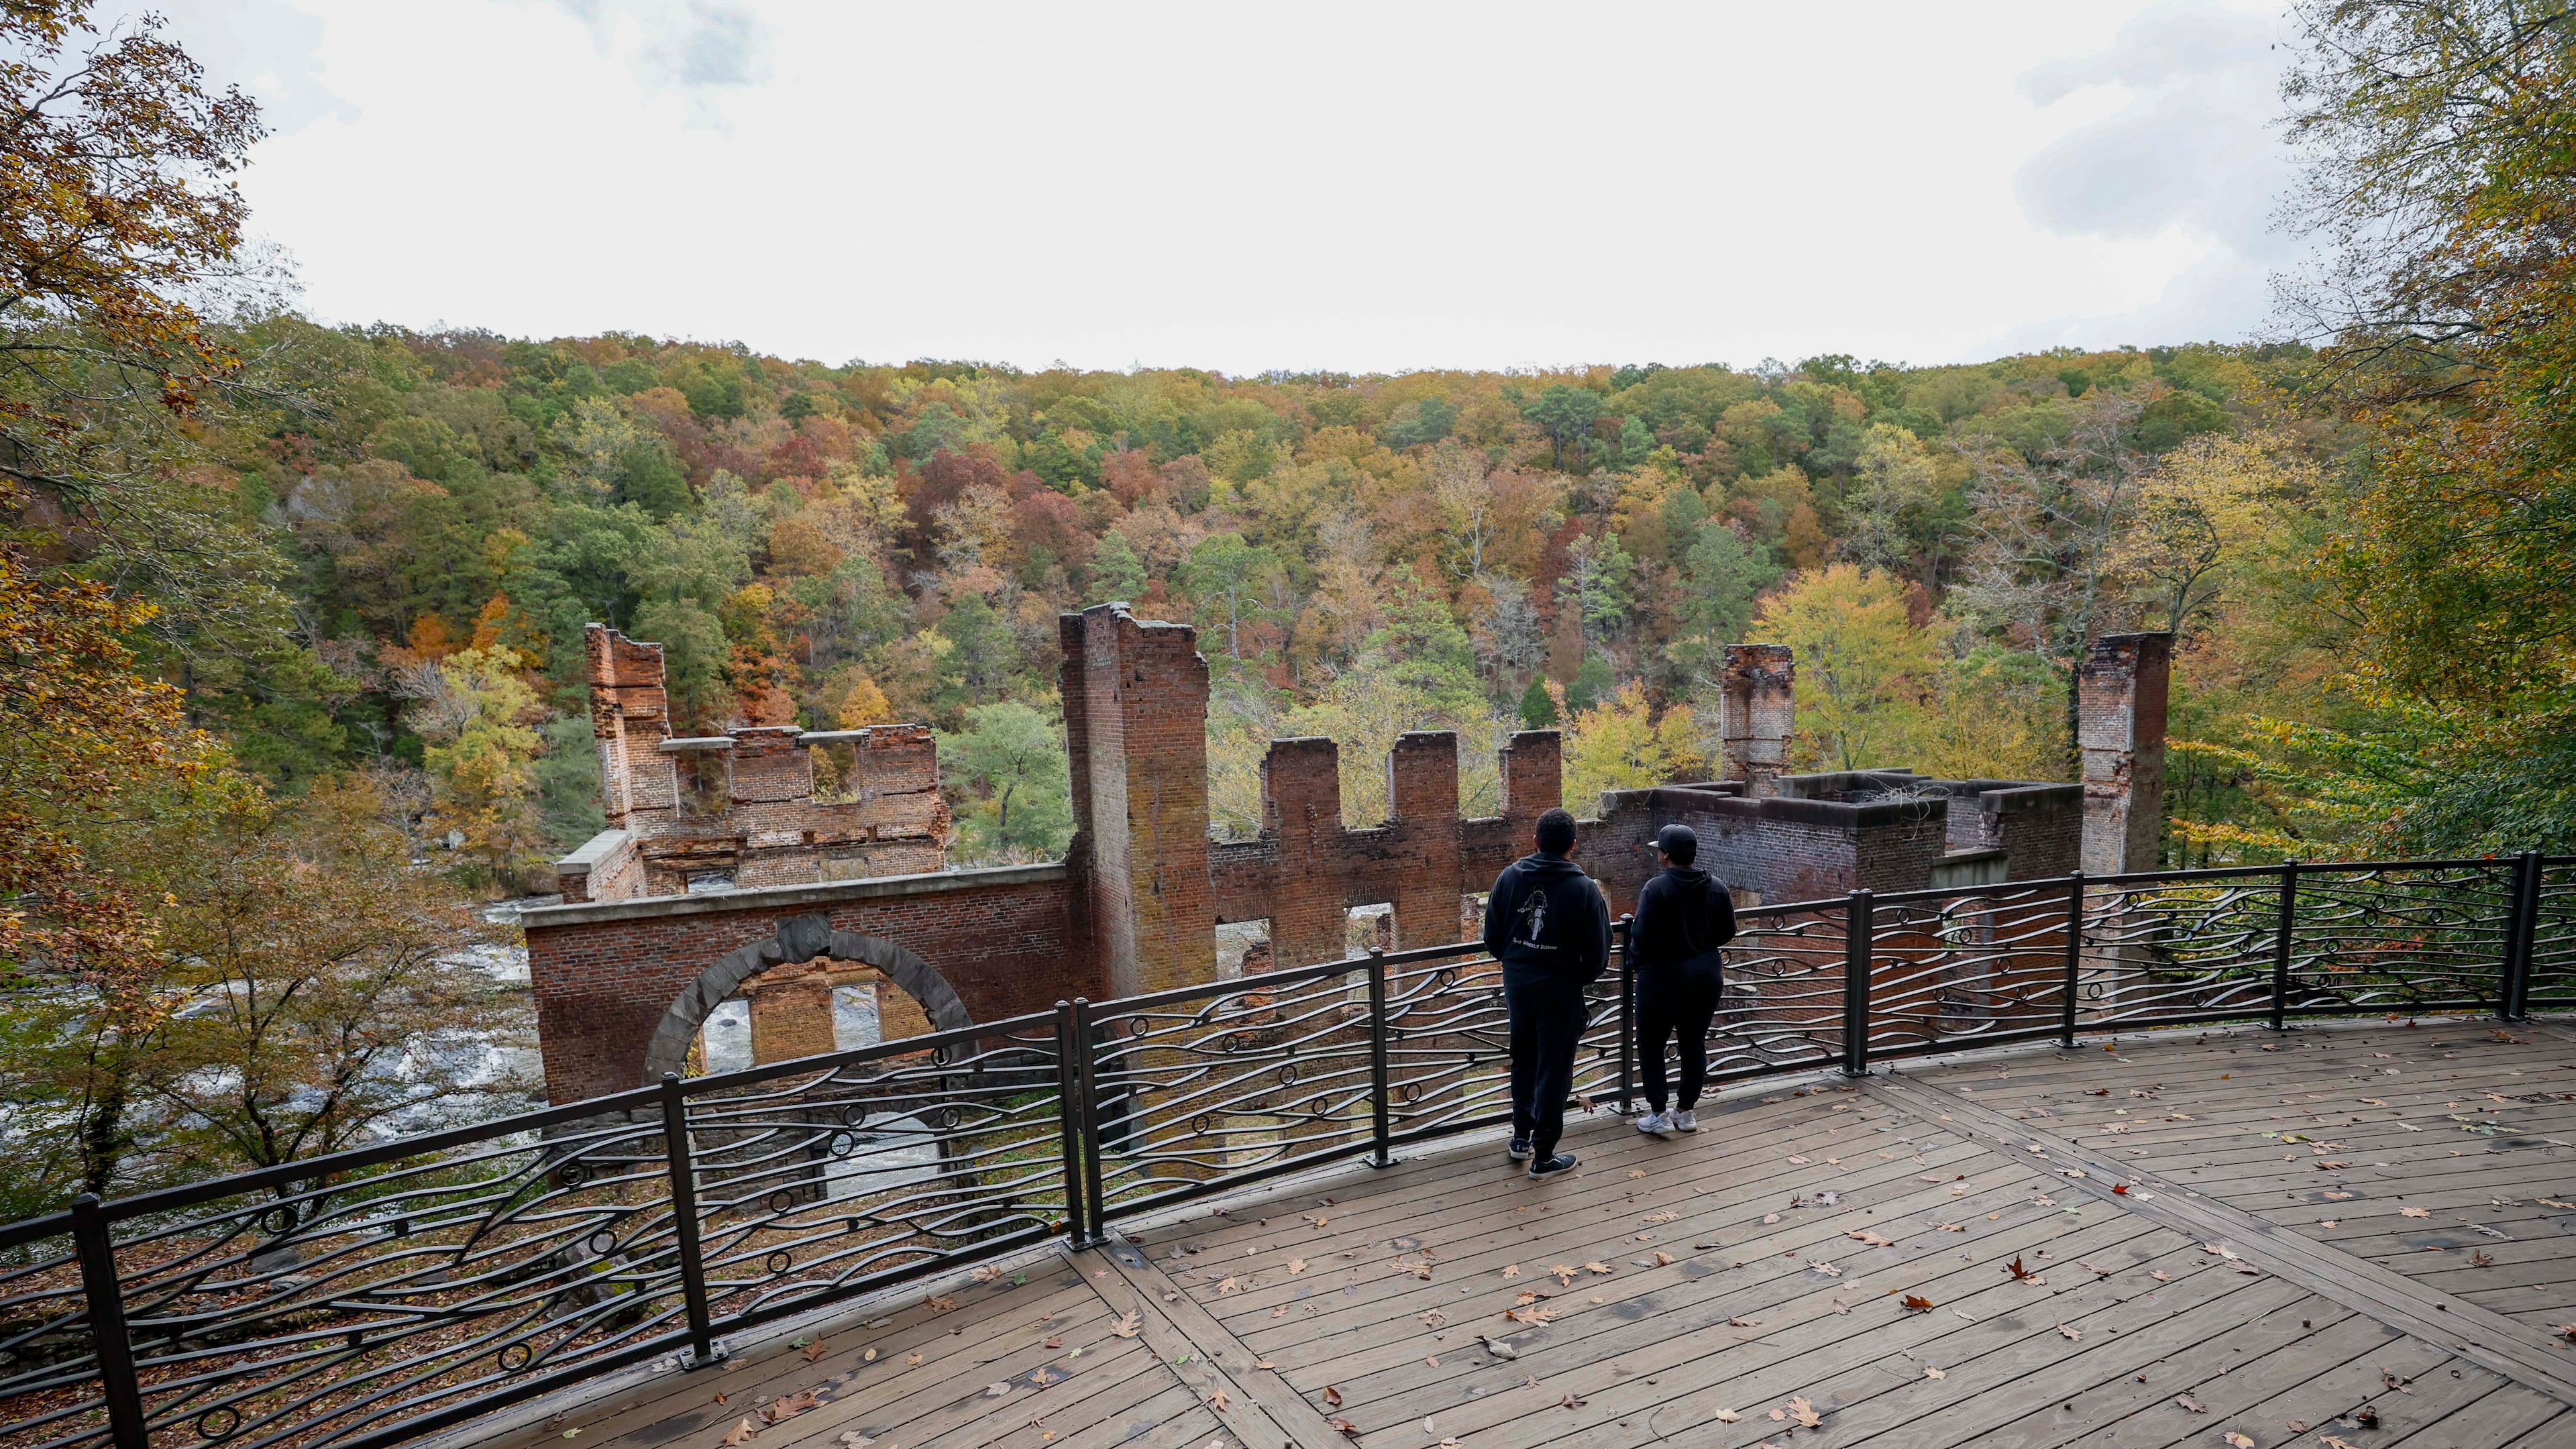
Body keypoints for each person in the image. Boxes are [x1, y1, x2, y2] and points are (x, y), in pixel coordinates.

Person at [1483, 806, 1611, 1179]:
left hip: (1519, 986)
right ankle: (1544, 1157)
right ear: (1573, 844)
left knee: (1523, 1058)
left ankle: (1521, 1137)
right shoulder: (1584, 889)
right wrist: (1572, 977)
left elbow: (1492, 936)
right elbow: (1598, 956)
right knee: (1555, 1070)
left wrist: (1518, 964)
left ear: (1536, 841)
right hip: (1560, 989)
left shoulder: (1509, 878)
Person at [1628, 823, 1737, 1137]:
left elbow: (1641, 937)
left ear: (1665, 856)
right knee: (1693, 1042)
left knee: (1651, 1044)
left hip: (1662, 979)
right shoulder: (1716, 886)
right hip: (1705, 976)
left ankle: (1658, 1113)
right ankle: (1685, 1111)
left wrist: (1638, 963)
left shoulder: (1656, 889)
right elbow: (1727, 931)